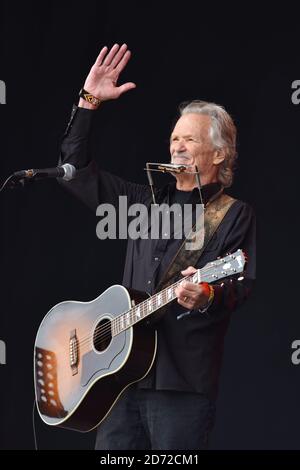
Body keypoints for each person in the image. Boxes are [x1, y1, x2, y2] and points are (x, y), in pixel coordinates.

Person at [58, 43, 256, 450]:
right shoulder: (144, 201)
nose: (176, 146)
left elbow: (239, 284)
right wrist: (89, 100)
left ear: (219, 153)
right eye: (174, 138)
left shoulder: (233, 214)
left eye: (189, 140)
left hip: (181, 385)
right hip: (117, 378)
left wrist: (206, 295)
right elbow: (75, 173)